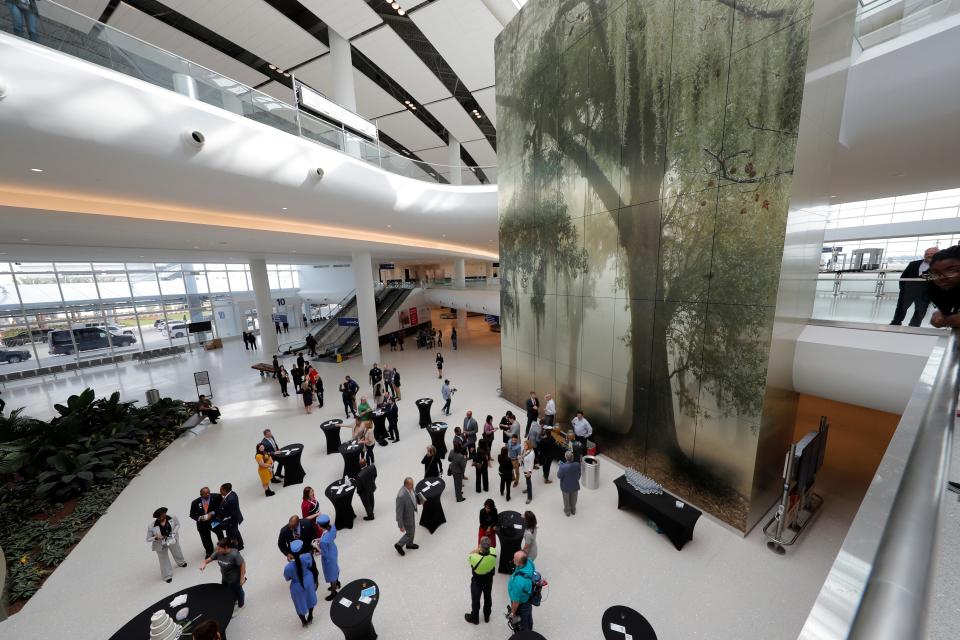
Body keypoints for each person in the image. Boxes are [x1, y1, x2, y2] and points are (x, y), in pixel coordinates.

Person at [891, 246, 938, 326]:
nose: (928, 255)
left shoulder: (939, 266)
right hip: (908, 291)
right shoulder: (913, 264)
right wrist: (903, 289)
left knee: (920, 310)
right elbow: (903, 277)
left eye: (931, 253)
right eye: (927, 254)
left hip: (924, 293)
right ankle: (895, 323)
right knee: (901, 308)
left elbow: (933, 276)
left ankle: (914, 326)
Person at [200, 538, 246, 616]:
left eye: (219, 548)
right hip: (225, 577)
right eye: (217, 548)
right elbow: (209, 559)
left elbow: (243, 564)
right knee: (228, 591)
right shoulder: (218, 553)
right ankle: (234, 600)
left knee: (239, 591)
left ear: (226, 547)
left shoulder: (234, 554)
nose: (217, 550)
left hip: (234, 579)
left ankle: (241, 605)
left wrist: (241, 578)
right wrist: (204, 563)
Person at [278, 515, 321, 589]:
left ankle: (315, 580)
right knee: (298, 568)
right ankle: (302, 582)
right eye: (290, 526)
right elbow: (281, 544)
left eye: (293, 526)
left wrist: (313, 548)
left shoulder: (308, 524)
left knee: (312, 566)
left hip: (307, 551)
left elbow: (314, 535)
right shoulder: (284, 530)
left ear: (299, 523)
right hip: (294, 555)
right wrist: (288, 553)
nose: (291, 528)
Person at [147, 507, 187, 583]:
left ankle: (181, 562)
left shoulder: (173, 517)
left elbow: (177, 524)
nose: (163, 517)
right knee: (163, 559)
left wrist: (174, 532)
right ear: (157, 517)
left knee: (177, 550)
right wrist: (155, 537)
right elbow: (148, 539)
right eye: (160, 516)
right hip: (160, 544)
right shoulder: (151, 526)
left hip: (172, 539)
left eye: (164, 514)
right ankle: (167, 575)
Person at [284, 539, 317, 626]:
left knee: (299, 604)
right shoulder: (307, 557)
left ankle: (304, 621)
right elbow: (310, 566)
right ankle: (310, 615)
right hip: (309, 581)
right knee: (310, 598)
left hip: (297, 586)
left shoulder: (288, 567)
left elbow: (287, 578)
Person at [464, 536, 497, 625]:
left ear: (480, 546)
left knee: (476, 599)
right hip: (489, 578)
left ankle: (475, 618)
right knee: (488, 596)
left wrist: (477, 550)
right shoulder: (494, 552)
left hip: (477, 581)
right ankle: (487, 616)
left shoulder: (474, 558)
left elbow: (470, 554)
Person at [927, 246, 960, 328]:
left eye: (951, 270)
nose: (941, 277)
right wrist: (942, 313)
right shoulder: (942, 289)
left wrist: (947, 320)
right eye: (935, 273)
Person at [189, 487, 224, 557]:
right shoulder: (195, 502)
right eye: (205, 493)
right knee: (205, 538)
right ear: (201, 494)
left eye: (209, 492)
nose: (208, 494)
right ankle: (209, 552)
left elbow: (221, 507)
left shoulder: (217, 496)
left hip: (214, 521)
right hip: (202, 524)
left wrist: (213, 513)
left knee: (220, 534)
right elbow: (192, 514)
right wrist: (200, 518)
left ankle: (224, 548)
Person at [507, 550, 537, 632]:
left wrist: (513, 613)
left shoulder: (518, 581)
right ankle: (530, 627)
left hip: (521, 603)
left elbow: (516, 602)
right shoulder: (530, 562)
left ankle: (525, 634)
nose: (513, 560)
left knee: (523, 622)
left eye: (514, 559)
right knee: (528, 615)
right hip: (528, 598)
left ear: (520, 563)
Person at [395, 477, 423, 556]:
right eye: (411, 484)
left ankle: (409, 544)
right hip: (406, 517)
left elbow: (414, 497)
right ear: (406, 485)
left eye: (413, 484)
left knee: (413, 528)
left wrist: (420, 500)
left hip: (411, 513)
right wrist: (401, 525)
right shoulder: (401, 496)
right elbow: (398, 512)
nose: (413, 486)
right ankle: (399, 545)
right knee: (410, 532)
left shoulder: (411, 488)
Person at [315, 514, 341, 601]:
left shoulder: (323, 541)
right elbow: (333, 537)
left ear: (320, 526)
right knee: (335, 568)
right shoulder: (332, 527)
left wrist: (316, 546)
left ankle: (334, 592)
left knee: (331, 574)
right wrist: (320, 539)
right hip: (333, 550)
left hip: (328, 558)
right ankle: (337, 583)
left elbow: (324, 554)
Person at [216, 483, 244, 550]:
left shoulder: (231, 500)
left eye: (221, 490)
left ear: (225, 490)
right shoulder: (232, 493)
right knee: (235, 531)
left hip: (231, 520)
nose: (220, 492)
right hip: (233, 519)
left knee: (231, 536)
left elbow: (231, 513)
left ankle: (235, 551)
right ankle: (240, 545)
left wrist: (222, 519)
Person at [557, 451, 582, 516]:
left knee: (566, 499)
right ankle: (573, 510)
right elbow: (579, 473)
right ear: (573, 457)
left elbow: (559, 476)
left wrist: (560, 466)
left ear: (565, 458)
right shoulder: (577, 464)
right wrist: (577, 479)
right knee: (574, 498)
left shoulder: (562, 467)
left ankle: (567, 512)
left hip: (565, 487)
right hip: (575, 485)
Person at [356, 456, 377, 520]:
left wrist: (358, 492)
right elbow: (375, 475)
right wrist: (372, 481)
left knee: (366, 503)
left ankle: (370, 516)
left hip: (364, 492)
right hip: (372, 487)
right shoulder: (372, 467)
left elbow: (359, 487)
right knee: (371, 498)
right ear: (366, 463)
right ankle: (372, 509)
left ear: (360, 465)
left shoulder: (359, 475)